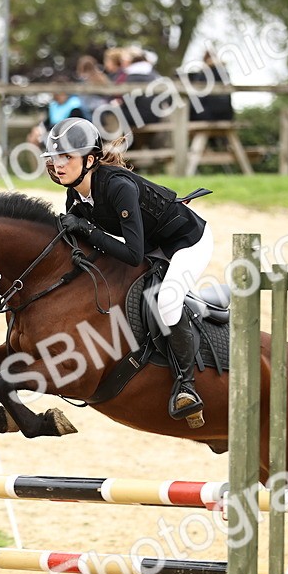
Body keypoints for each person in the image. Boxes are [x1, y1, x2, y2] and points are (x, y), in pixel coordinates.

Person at [41, 117, 214, 427]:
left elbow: (133, 255)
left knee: (167, 301)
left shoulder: (118, 187)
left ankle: (186, 386)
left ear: (89, 160)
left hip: (188, 241)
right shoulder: (75, 195)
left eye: (67, 156)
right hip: (151, 245)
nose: (58, 164)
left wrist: (88, 230)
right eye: (55, 157)